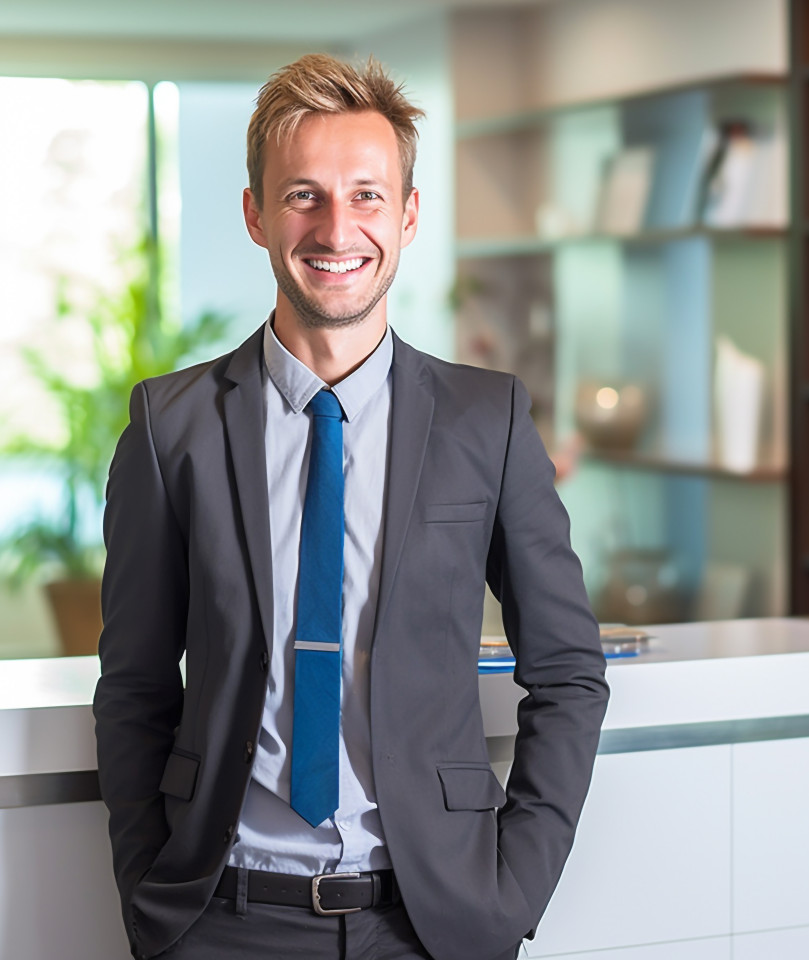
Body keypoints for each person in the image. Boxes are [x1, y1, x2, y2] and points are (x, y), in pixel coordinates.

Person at [93, 53, 609, 960]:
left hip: (429, 925)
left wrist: (511, 894)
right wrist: (151, 895)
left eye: (368, 196)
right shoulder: (169, 426)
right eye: (304, 195)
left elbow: (568, 671)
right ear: (256, 214)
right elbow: (134, 686)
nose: (338, 227)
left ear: (407, 215)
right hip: (222, 922)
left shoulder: (488, 420)